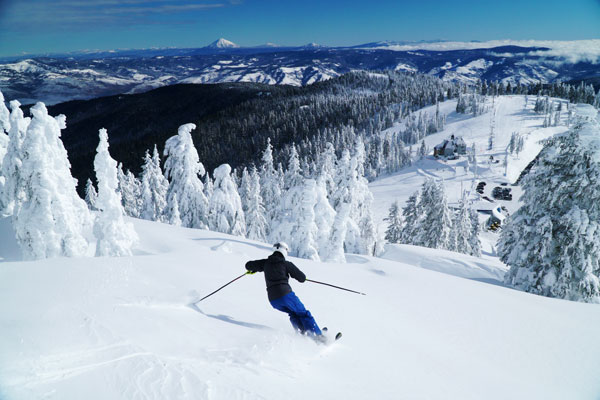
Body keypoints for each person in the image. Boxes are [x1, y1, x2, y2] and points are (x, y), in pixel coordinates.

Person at [245, 242, 323, 339]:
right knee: (303, 313)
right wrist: (303, 278)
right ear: (284, 251)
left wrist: (254, 269)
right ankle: (318, 336)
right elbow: (301, 278)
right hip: (285, 295)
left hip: (273, 300)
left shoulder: (265, 263)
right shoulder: (286, 264)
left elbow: (248, 265)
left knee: (293, 313)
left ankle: (302, 334)